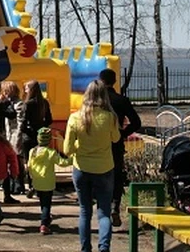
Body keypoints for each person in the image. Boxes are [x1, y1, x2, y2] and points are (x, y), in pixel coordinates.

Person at [63, 80, 121, 252]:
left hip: (81, 168)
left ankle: (85, 248)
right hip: (104, 168)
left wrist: (79, 148)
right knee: (104, 212)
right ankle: (104, 247)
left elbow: (67, 149)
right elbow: (116, 138)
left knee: (84, 211)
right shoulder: (110, 117)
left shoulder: (75, 118)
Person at [99, 68, 142, 224]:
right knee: (116, 174)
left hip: (97, 143)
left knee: (100, 174)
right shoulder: (121, 100)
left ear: (100, 80)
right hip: (116, 143)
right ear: (114, 82)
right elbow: (136, 122)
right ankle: (115, 206)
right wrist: (123, 133)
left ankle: (102, 206)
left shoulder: (96, 101)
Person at [28, 127, 71, 235]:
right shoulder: (51, 153)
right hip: (48, 183)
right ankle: (44, 224)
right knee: (47, 204)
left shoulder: (32, 151)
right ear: (49, 140)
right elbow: (62, 162)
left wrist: (32, 176)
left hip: (37, 182)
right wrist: (73, 159)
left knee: (42, 202)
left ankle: (46, 218)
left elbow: (29, 165)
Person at [18, 79, 54, 196]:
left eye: (27, 88)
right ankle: (40, 185)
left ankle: (31, 185)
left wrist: (26, 131)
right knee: (41, 161)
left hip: (29, 136)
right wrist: (41, 128)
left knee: (29, 162)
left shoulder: (28, 104)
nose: (25, 90)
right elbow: (49, 120)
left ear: (31, 90)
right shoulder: (44, 102)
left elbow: (23, 122)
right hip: (41, 136)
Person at [0, 79, 25, 203]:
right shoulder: (7, 103)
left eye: (5, 91)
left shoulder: (19, 104)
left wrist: (18, 136)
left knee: (17, 160)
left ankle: (18, 184)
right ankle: (13, 185)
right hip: (9, 135)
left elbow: (21, 122)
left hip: (15, 135)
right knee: (11, 161)